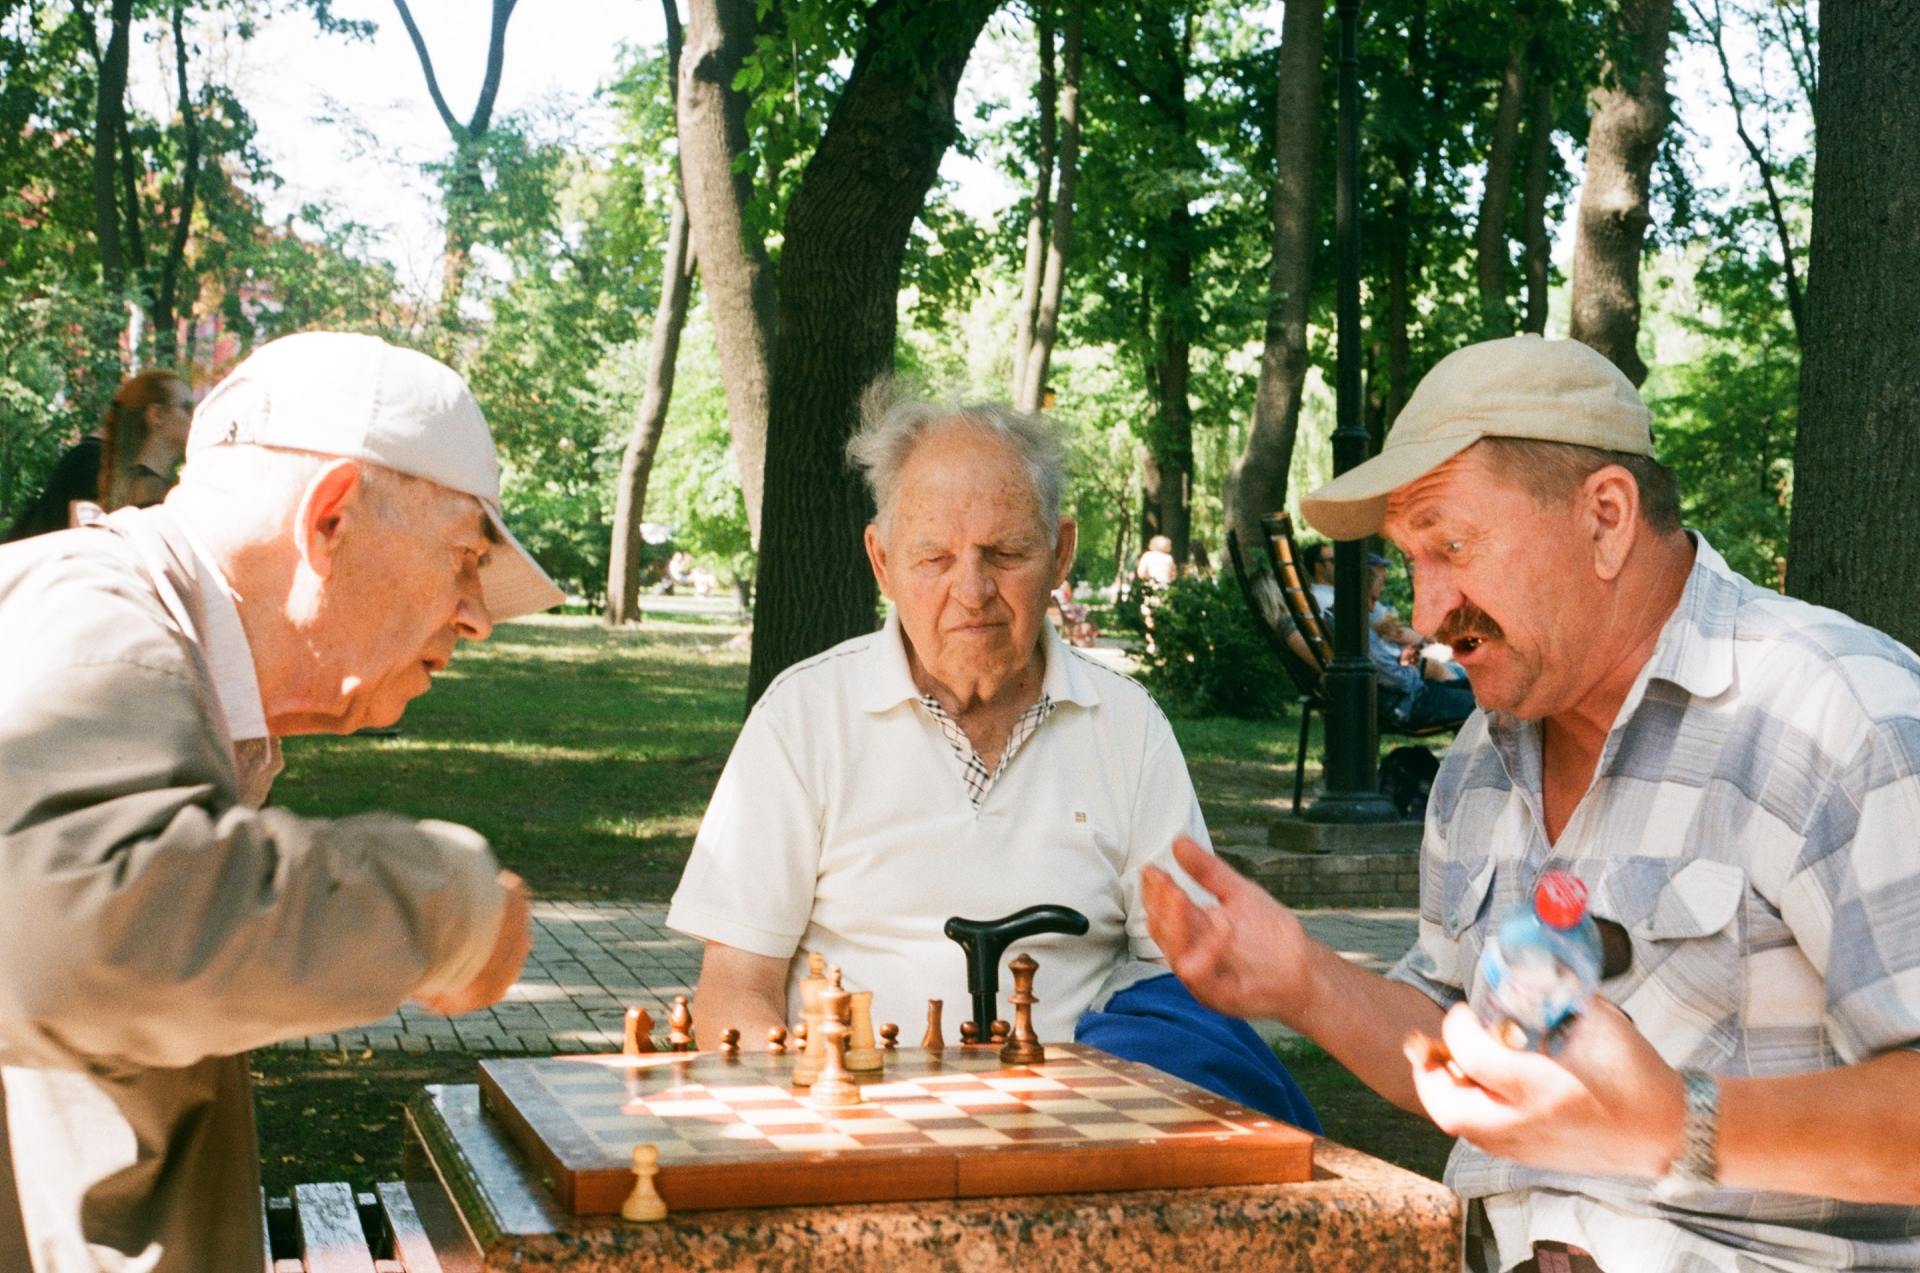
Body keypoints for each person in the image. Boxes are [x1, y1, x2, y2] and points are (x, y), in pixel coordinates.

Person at [1142, 334, 1920, 1272]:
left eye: (1452, 545)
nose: (1427, 613)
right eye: (1410, 559)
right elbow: (1457, 1051)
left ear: (1605, 517)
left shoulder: (1839, 715)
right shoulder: (1479, 761)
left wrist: (1682, 1124)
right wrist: (1300, 977)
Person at [0, 331, 565, 1271]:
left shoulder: (141, 640)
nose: (474, 614)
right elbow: (67, 933)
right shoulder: (100, 621)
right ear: (332, 517)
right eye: (465, 556)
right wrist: (444, 902)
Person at [668, 396, 1317, 1129]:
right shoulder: (802, 719)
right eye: (934, 557)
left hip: (1082, 1144)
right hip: (858, 1134)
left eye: (1005, 553)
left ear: (1061, 551)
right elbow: (735, 987)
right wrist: (817, 1117)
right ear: (882, 560)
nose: (971, 591)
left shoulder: (1127, 726)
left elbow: (1183, 983)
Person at [4, 368, 195, 543]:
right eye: (187, 407)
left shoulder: (128, 477)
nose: (196, 416)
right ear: (157, 415)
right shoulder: (89, 464)